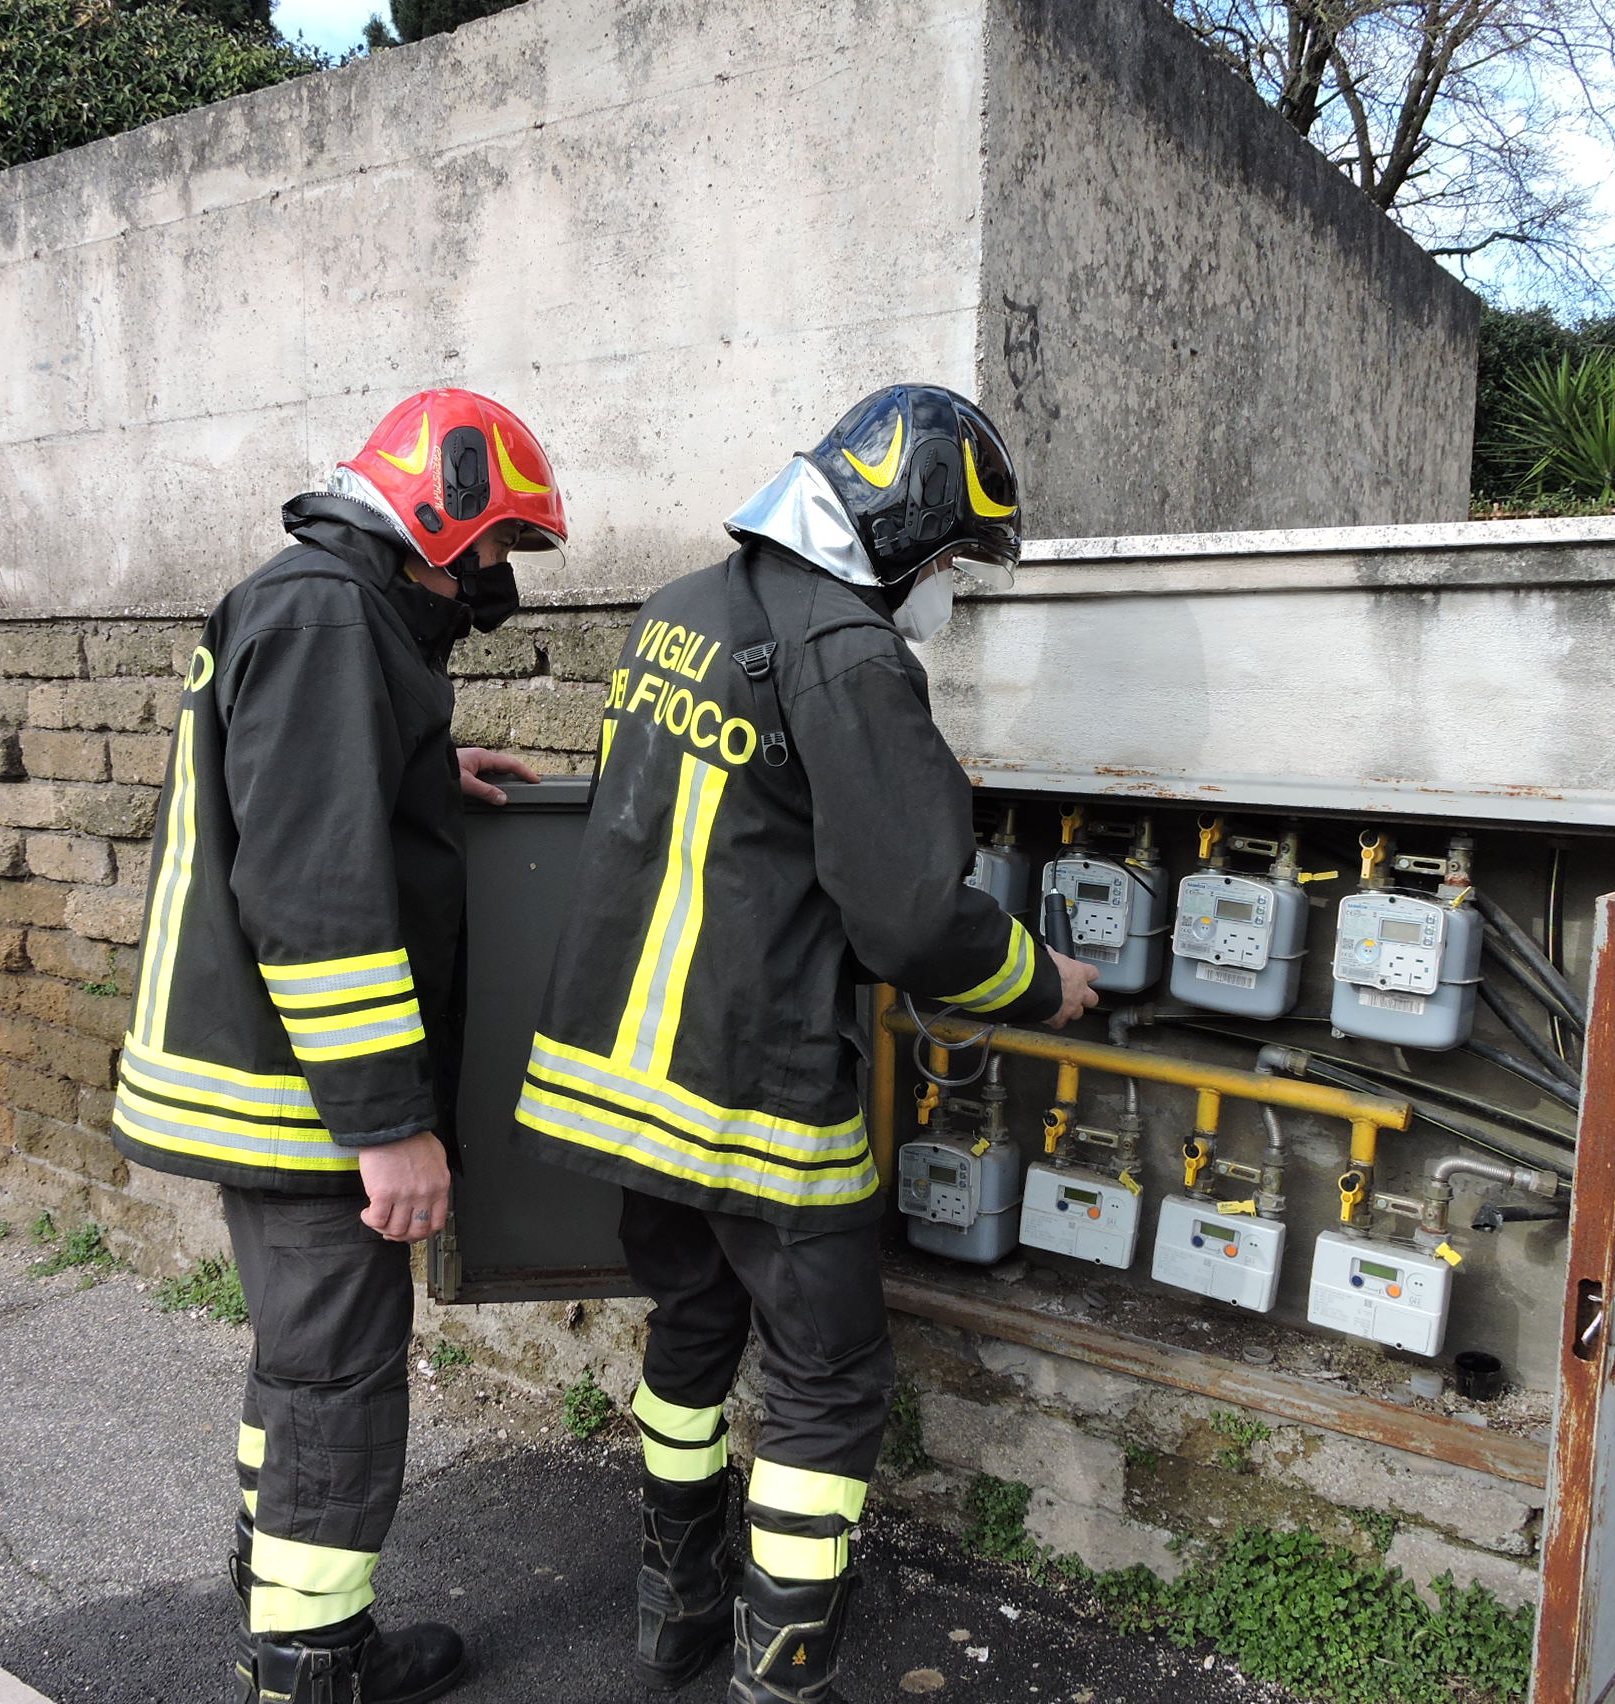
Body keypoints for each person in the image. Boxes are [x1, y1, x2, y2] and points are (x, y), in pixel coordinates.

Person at [517, 385, 1100, 1701]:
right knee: (830, 1381)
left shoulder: (680, 611)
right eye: (948, 556)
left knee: (689, 1322)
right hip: (757, 1096)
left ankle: (677, 1607)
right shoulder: (850, 653)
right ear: (902, 525)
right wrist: (1035, 978)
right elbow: (906, 917)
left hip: (624, 1083)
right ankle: (779, 1675)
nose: (945, 585)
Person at [109, 389, 565, 1704]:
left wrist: (426, 767)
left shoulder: (324, 609)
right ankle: (314, 1662)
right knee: (339, 1379)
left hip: (261, 1075)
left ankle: (273, 1587)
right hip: (298, 1096)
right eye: (494, 549)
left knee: (301, 1362)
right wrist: (387, 1123)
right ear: (439, 513)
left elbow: (301, 800)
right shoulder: (324, 618)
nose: (495, 581)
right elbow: (315, 896)